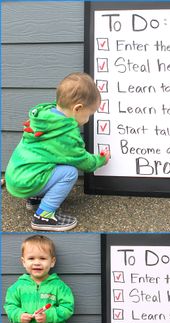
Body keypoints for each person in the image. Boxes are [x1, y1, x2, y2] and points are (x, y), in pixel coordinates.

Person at [5, 72, 110, 231]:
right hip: (28, 181)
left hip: (17, 175)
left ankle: (35, 199)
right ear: (78, 108)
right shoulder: (66, 135)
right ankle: (44, 216)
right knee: (69, 172)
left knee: (48, 162)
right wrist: (100, 160)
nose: (88, 119)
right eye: (89, 115)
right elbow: (82, 160)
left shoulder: (45, 117)